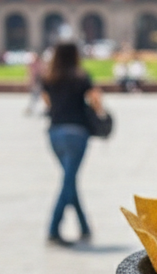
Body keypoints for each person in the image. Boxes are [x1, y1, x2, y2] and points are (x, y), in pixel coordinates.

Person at [40, 41, 107, 245]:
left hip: (55, 133)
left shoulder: (48, 78)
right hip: (77, 133)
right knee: (68, 181)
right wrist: (98, 109)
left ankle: (84, 226)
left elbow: (47, 102)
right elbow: (95, 100)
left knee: (70, 179)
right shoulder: (81, 76)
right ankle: (53, 229)